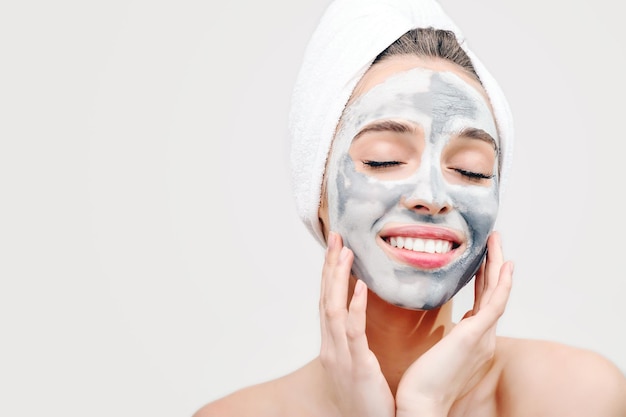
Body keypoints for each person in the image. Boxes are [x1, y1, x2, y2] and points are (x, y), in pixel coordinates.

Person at [194, 0, 626, 415]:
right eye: (384, 159)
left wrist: (424, 406)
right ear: (317, 193)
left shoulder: (572, 396)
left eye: (470, 169)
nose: (433, 196)